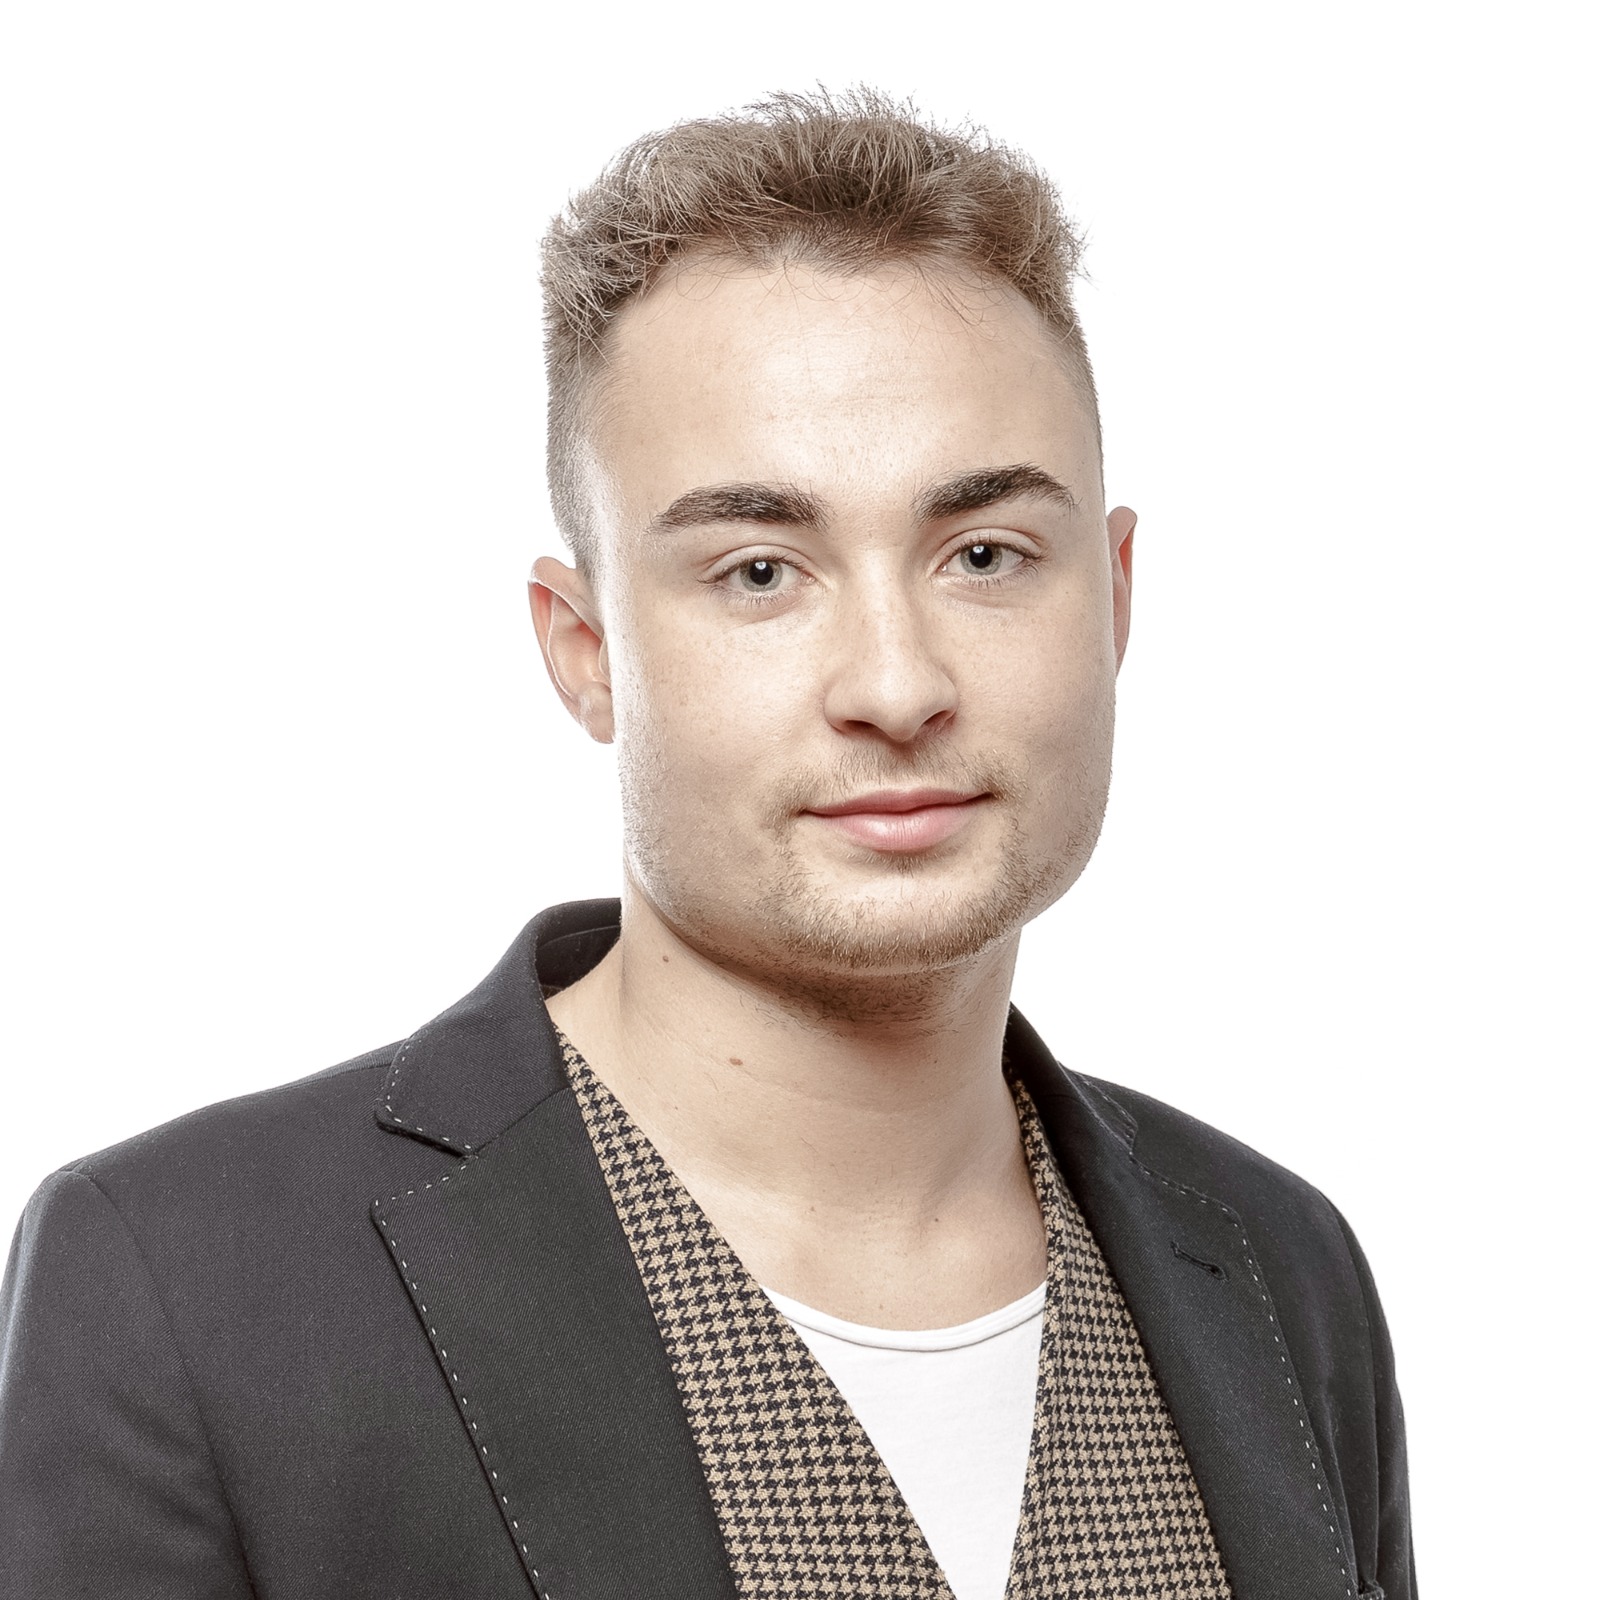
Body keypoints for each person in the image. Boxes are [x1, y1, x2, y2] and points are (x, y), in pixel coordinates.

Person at [0, 89, 1414, 1600]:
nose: (897, 686)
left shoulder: (1282, 1269)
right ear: (585, 649)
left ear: (1115, 595)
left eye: (985, 554)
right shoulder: (185, 1284)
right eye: (758, 572)